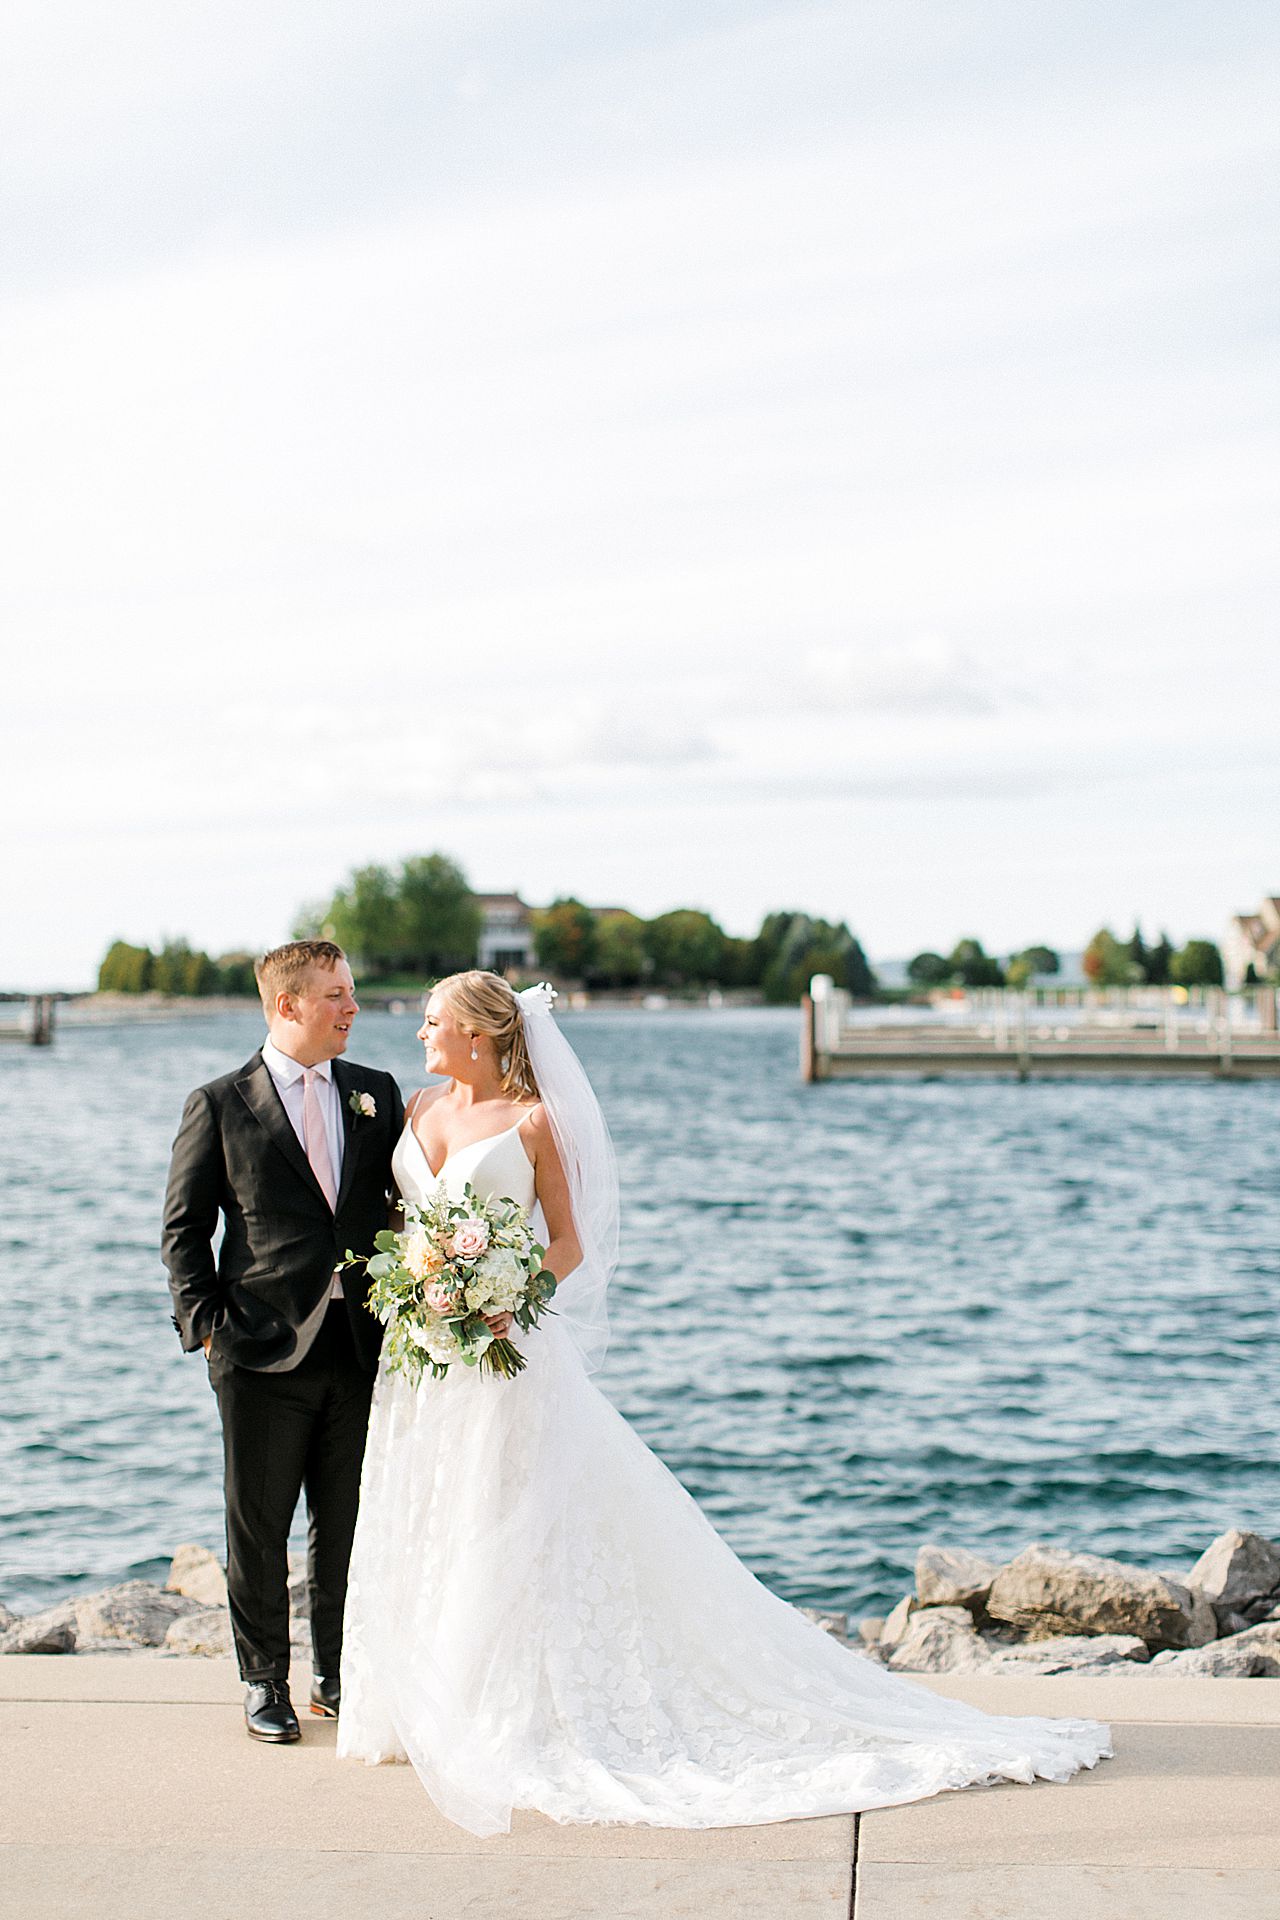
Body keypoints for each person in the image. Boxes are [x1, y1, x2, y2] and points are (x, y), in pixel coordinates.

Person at [338, 972, 1110, 1834]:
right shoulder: (415, 1109)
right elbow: (402, 1223)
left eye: (434, 1022)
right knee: (431, 1509)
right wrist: (418, 1282)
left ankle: (505, 1707)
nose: (421, 1033)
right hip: (424, 1357)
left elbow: (569, 1243)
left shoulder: (535, 1121)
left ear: (477, 1034)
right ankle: (422, 1700)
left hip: (503, 1351)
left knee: (504, 1521)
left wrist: (508, 1297)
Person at [162, 939, 404, 1743]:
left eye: (351, 992)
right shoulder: (219, 1102)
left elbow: (402, 1206)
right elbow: (184, 1232)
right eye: (336, 994)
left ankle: (338, 1674)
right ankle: (265, 1681)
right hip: (258, 1350)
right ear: (287, 1005)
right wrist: (207, 1330)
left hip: (360, 1344)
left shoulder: (376, 1092)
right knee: (258, 1528)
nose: (352, 1008)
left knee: (346, 1524)